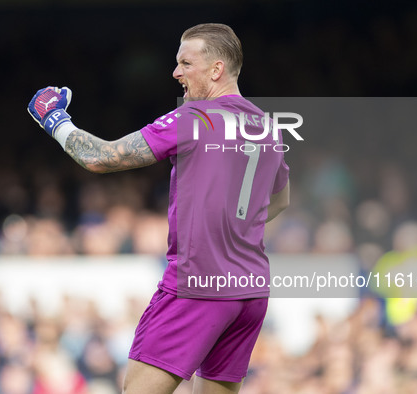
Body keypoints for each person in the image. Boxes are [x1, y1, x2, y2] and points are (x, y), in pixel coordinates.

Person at [27, 23, 290, 394]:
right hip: (250, 290)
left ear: (216, 70)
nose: (176, 73)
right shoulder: (267, 126)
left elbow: (100, 157)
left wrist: (53, 118)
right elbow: (280, 199)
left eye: (185, 63)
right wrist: (234, 228)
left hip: (198, 286)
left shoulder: (193, 119)